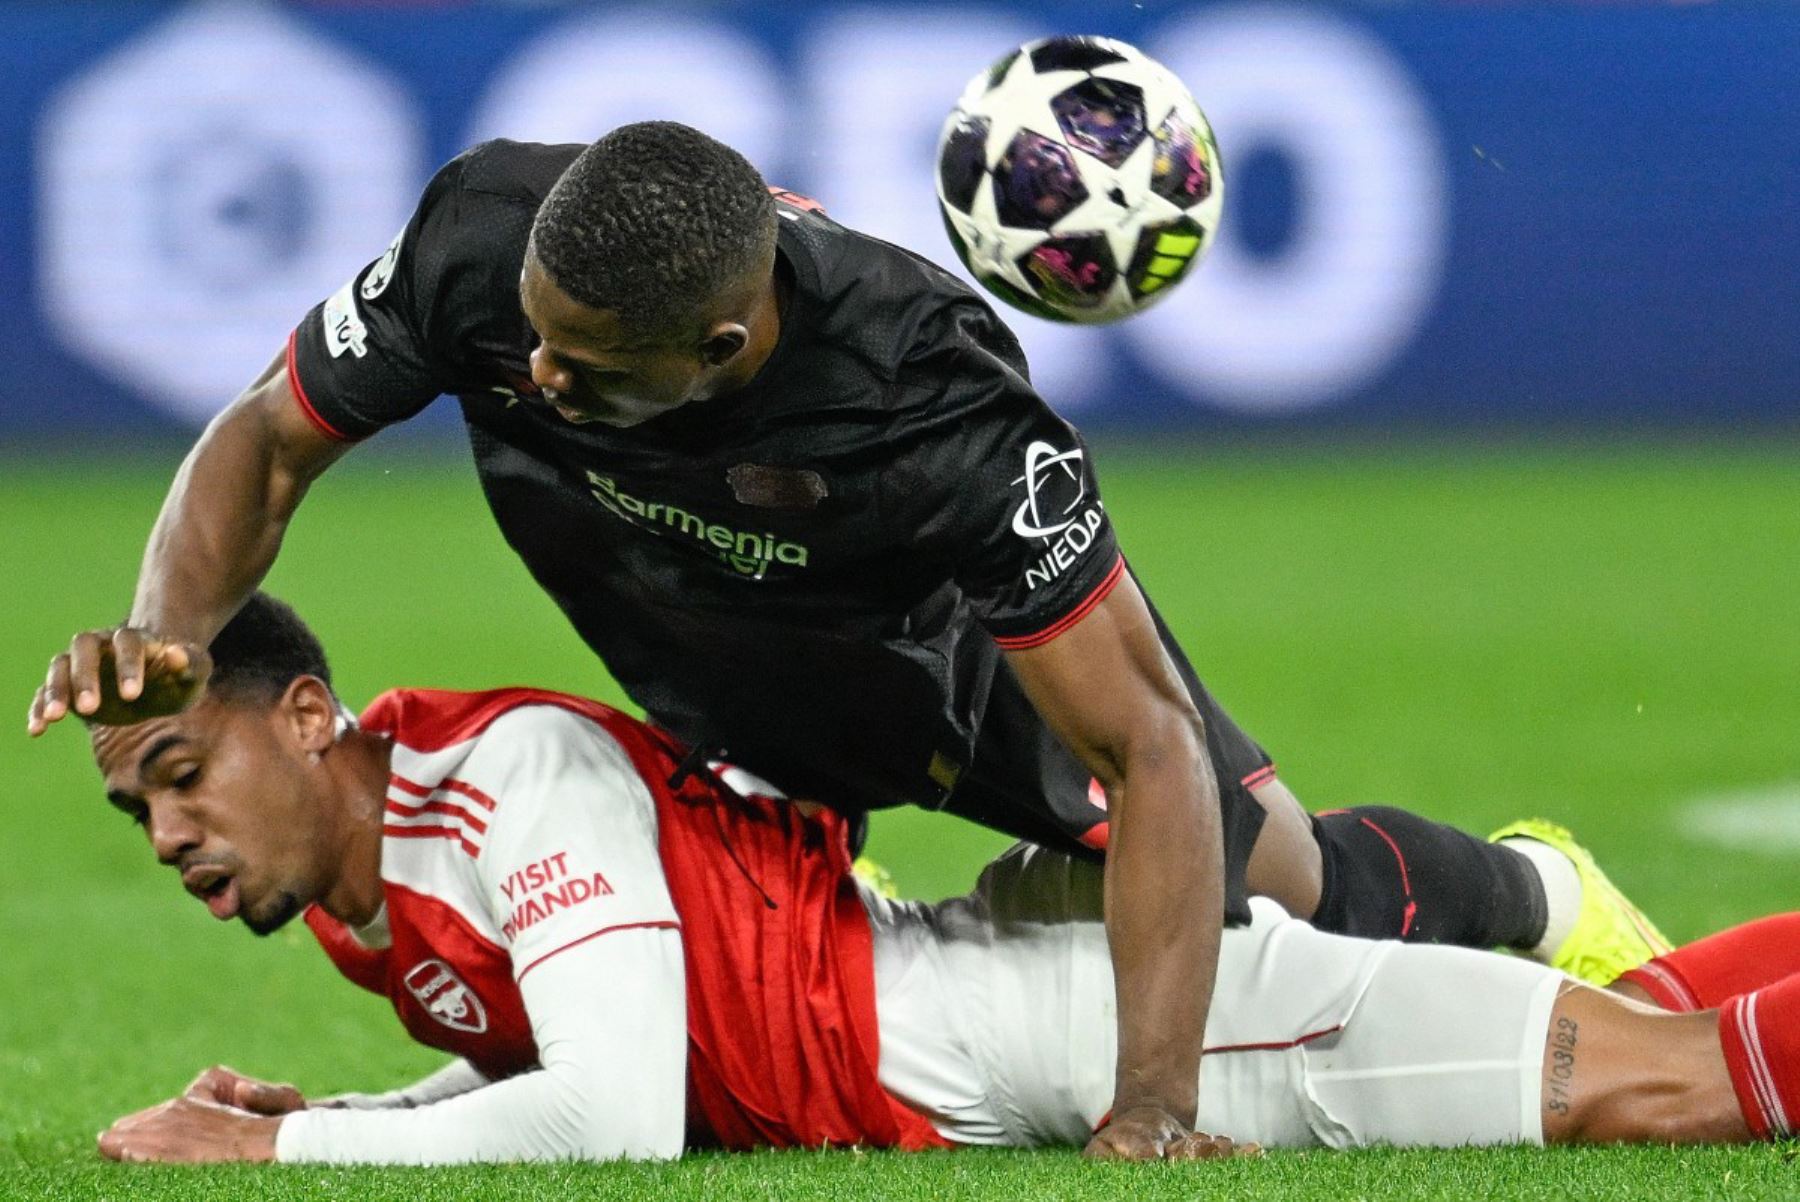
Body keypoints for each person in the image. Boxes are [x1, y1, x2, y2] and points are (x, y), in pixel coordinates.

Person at [33, 123, 1664, 1157]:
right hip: (693, 646)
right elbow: (267, 434)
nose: (528, 378)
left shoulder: (937, 400)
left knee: (1262, 877)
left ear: (729, 346)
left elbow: (1142, 740)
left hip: (935, 665)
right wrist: (168, 634)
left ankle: (1535, 891)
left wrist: (1154, 1109)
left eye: (581, 367)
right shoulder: (484, 240)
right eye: (525, 335)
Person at [86, 596, 1792, 1166]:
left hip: (1051, 1024)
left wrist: (280, 1147)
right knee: (1632, 1035)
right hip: (987, 974)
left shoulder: (506, 779)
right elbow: (626, 1036)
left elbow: (611, 1113)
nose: (168, 832)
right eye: (136, 807)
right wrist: (362, 1114)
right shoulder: (375, 891)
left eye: (181, 771)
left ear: (306, 716)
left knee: (1673, 1091)